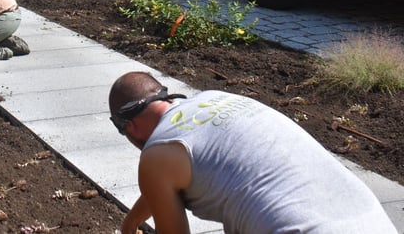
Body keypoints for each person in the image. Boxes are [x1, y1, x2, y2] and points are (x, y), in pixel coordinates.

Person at [109, 71, 398, 234]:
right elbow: (168, 181)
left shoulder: (156, 156)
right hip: (373, 221)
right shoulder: (215, 99)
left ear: (130, 127)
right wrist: (132, 221)